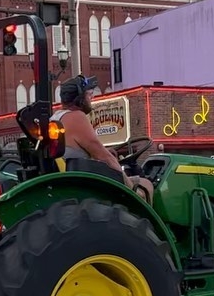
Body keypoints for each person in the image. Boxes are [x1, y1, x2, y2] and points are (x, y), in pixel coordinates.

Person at [51, 75, 154, 203]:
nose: (92, 98)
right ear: (80, 99)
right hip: (83, 185)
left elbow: (86, 151)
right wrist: (133, 189)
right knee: (146, 185)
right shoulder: (76, 117)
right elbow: (104, 157)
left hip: (75, 178)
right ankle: (149, 222)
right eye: (89, 95)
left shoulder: (56, 117)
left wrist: (105, 152)